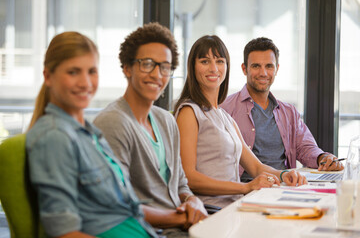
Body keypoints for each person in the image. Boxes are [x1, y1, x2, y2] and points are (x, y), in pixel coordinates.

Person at [26, 32, 157, 238]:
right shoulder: (55, 136)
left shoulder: (89, 133)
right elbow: (64, 232)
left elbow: (124, 210)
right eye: (73, 72)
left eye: (92, 71)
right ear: (48, 76)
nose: (85, 83)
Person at [93, 23, 207, 237]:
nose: (157, 74)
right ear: (127, 68)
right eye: (147, 64)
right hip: (148, 231)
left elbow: (181, 183)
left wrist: (193, 201)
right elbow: (117, 205)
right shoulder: (112, 122)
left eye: (165, 67)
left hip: (181, 228)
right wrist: (181, 219)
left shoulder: (166, 120)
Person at [174, 35, 306, 209]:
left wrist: (284, 175)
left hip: (234, 206)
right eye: (205, 61)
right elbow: (188, 177)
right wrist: (246, 187)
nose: (213, 68)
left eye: (220, 61)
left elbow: (256, 168)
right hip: (210, 210)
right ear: (193, 67)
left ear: (227, 67)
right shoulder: (189, 112)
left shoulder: (224, 116)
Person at [220, 37, 344, 183]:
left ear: (277, 69)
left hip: (284, 186)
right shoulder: (225, 109)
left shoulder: (289, 112)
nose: (263, 73)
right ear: (244, 68)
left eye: (269, 66)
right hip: (244, 190)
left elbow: (305, 147)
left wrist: (322, 158)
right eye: (256, 66)